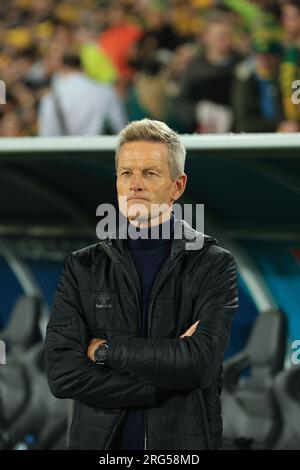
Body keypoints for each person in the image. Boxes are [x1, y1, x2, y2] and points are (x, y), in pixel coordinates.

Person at [43, 118, 238, 450]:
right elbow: (62, 374)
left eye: (150, 173)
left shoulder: (213, 263)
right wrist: (159, 384)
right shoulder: (83, 266)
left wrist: (103, 351)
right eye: (126, 173)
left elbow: (199, 364)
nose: (135, 184)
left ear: (177, 186)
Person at [38, 53, 127, 136]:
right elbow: (120, 128)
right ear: (83, 68)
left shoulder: (50, 97)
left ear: (63, 68)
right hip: (98, 149)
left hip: (63, 150)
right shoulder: (105, 91)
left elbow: (46, 135)